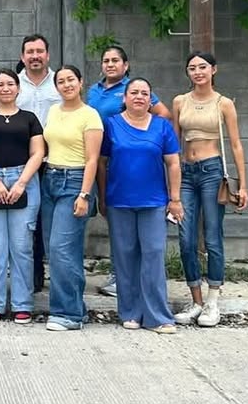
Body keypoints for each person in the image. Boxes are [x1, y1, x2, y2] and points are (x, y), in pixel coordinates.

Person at [98, 77, 183, 334]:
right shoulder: (111, 125)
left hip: (154, 202)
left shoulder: (162, 127)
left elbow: (173, 163)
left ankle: (157, 316)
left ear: (150, 99)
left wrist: (175, 199)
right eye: (133, 92)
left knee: (154, 256)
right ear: (124, 98)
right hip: (119, 201)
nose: (138, 97)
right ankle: (130, 312)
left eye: (144, 93)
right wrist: (102, 197)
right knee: (124, 258)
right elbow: (101, 163)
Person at [87, 45, 171, 298]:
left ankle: (131, 281)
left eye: (115, 61)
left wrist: (151, 144)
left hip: (131, 158)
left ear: (125, 65)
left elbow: (164, 114)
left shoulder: (133, 89)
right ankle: (120, 274)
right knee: (117, 225)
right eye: (106, 61)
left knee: (144, 235)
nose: (110, 64)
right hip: (104, 158)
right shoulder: (93, 91)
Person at [172, 52, 248, 328]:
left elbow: (236, 144)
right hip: (186, 172)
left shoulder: (223, 103)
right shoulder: (180, 101)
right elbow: (173, 145)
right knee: (185, 237)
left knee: (213, 236)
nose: (197, 72)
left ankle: (213, 300)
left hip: (212, 170)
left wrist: (243, 184)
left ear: (214, 70)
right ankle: (196, 300)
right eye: (192, 67)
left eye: (202, 67)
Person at [0, 69, 45, 324]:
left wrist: (21, 182)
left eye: (10, 84)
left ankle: (22, 304)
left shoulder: (30, 118)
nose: (5, 88)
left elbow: (38, 153)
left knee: (22, 246)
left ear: (18, 88)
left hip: (25, 181)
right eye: (0, 84)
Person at [41, 65, 103, 331]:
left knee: (60, 248)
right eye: (61, 81)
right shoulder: (53, 111)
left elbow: (92, 159)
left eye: (71, 80)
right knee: (60, 250)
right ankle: (78, 308)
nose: (66, 85)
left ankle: (67, 314)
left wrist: (85, 194)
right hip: (50, 179)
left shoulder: (90, 116)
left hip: (75, 182)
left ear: (80, 82)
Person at [17, 34, 60, 292]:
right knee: (28, 220)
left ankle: (57, 273)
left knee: (52, 220)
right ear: (22, 56)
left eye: (39, 51)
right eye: (30, 52)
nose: (35, 56)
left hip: (55, 161)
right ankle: (33, 274)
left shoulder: (59, 82)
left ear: (48, 55)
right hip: (23, 162)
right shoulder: (14, 84)